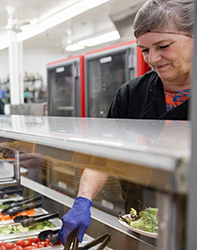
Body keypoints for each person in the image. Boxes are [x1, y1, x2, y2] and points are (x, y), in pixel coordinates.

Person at [57, 0, 193, 244]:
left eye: (163, 46)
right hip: (140, 224)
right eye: (144, 50)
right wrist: (83, 200)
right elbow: (104, 153)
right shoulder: (131, 93)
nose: (153, 58)